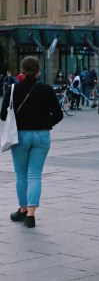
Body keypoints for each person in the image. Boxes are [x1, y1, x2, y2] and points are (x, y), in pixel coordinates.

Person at [0, 55, 63, 228]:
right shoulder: (47, 90)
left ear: (22, 70)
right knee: (35, 174)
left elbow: (3, 115)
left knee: (21, 175)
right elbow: (59, 114)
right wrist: (45, 124)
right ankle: (31, 215)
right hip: (42, 136)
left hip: (20, 136)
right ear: (38, 71)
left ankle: (22, 210)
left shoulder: (13, 89)